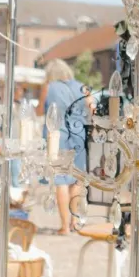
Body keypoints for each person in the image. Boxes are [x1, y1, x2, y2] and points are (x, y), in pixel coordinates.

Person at [40, 59, 93, 234]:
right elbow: (93, 108)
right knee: (77, 180)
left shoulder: (49, 87)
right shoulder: (82, 87)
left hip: (59, 137)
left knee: (61, 181)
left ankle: (64, 226)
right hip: (79, 135)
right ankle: (75, 222)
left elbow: (40, 110)